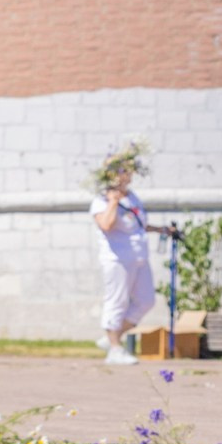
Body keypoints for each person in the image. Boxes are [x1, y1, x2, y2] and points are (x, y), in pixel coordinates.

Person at [89, 141, 154, 364]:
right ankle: (115, 349)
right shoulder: (102, 200)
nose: (127, 176)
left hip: (139, 257)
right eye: (122, 171)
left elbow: (139, 225)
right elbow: (106, 225)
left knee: (146, 301)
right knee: (116, 301)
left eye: (128, 171)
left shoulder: (133, 197)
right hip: (117, 259)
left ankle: (112, 336)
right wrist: (113, 202)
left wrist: (163, 230)